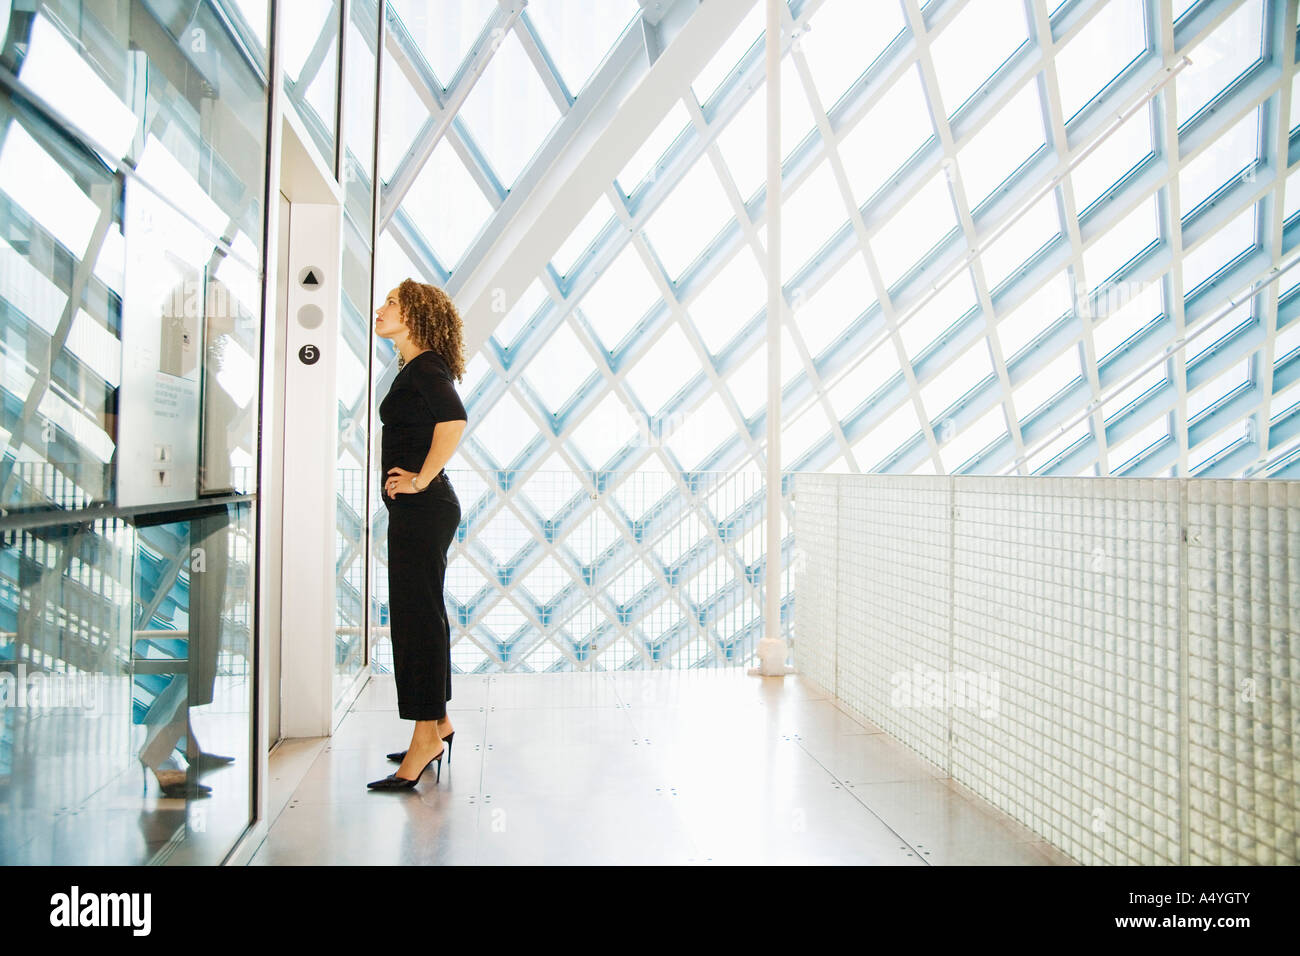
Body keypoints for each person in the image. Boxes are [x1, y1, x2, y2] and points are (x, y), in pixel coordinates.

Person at [367, 278, 468, 791]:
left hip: (423, 507)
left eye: (391, 303)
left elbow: (454, 422)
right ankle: (438, 724)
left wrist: (420, 479)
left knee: (416, 620)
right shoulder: (415, 366)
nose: (380, 309)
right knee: (423, 615)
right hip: (421, 510)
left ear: (416, 314)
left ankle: (423, 741)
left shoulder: (425, 365)